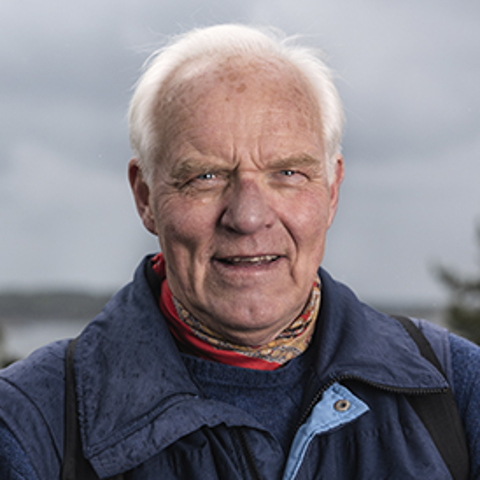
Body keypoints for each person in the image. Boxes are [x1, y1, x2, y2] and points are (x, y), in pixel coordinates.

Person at [0, 24, 479, 480]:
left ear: (332, 190)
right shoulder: (27, 425)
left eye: (287, 173)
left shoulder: (458, 391)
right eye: (205, 176)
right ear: (145, 197)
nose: (248, 217)